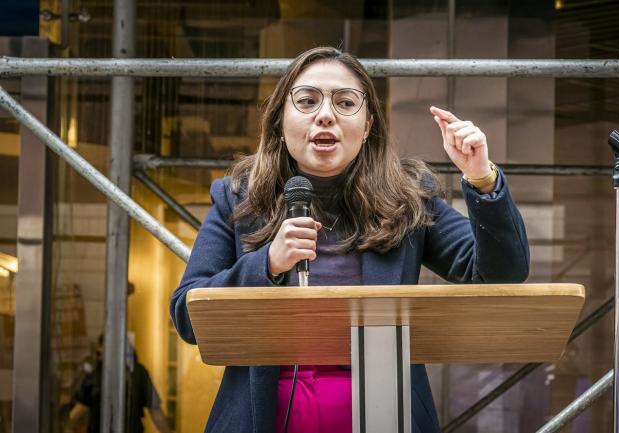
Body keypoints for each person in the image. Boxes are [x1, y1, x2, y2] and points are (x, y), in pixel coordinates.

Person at [170, 46, 529, 433]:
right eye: (307, 101)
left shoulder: (408, 196)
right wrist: (268, 263)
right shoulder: (236, 196)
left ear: (369, 125)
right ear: (278, 121)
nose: (325, 115)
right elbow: (188, 315)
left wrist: (481, 178)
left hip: (386, 416)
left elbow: (499, 274)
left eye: (345, 102)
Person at [65, 334, 171, 433]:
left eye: (102, 348)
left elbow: (156, 412)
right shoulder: (98, 373)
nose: (99, 351)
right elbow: (156, 412)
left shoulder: (136, 373)